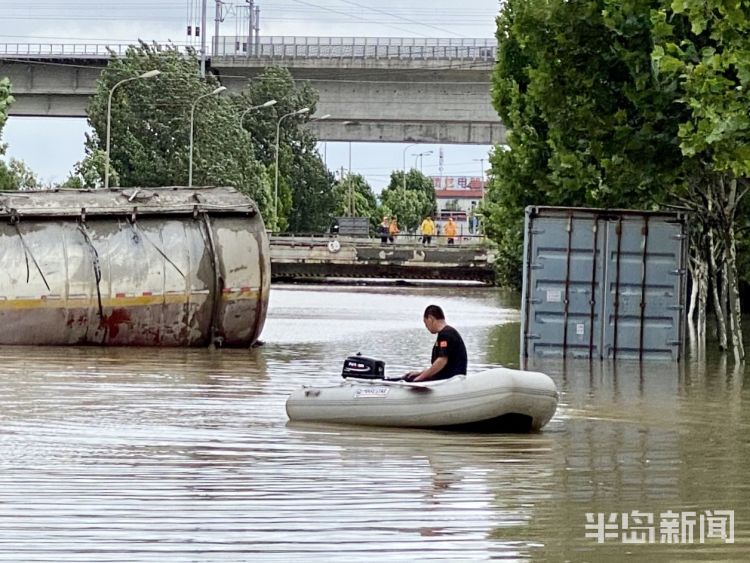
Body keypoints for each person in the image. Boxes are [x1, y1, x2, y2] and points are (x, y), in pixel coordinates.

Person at [404, 305, 467, 382]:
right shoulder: (447, 332)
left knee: (410, 380)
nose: (426, 326)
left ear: (430, 319)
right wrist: (420, 373)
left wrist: (420, 377)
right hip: (448, 375)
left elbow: (441, 361)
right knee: (408, 377)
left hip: (450, 379)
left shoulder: (446, 334)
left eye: (425, 322)